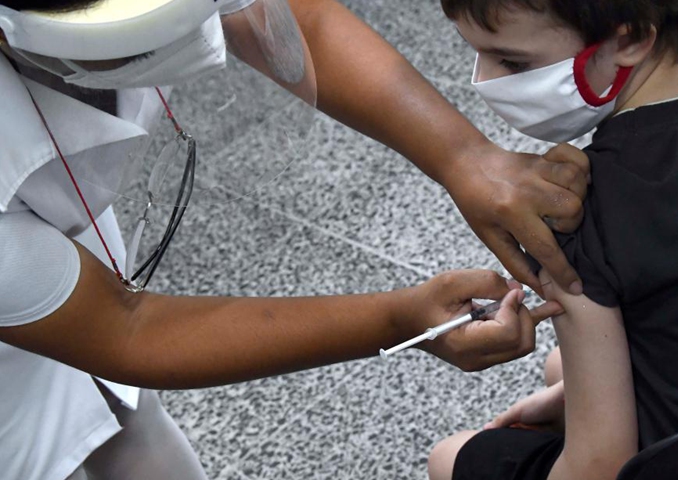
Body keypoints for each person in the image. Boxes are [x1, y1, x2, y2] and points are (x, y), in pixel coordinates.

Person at [0, 0, 592, 478]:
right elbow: (126, 328)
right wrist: (398, 319)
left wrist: (466, 157)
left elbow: (295, 19)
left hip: (57, 238)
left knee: (124, 411)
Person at [427, 0, 678, 479]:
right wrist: (574, 399)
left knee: (451, 455)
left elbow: (599, 467)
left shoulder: (580, 207)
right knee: (563, 368)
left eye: (513, 62)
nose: (488, 80)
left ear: (629, 40)